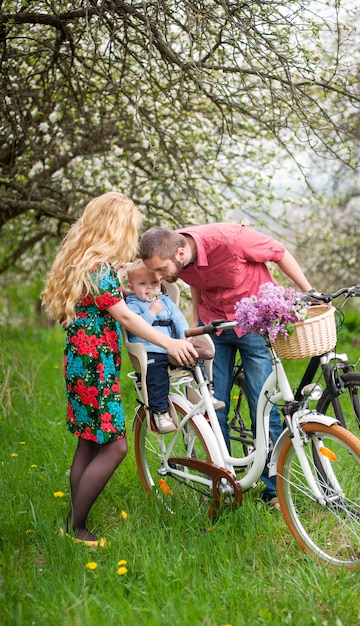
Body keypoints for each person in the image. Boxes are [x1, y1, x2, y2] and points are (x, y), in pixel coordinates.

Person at [41, 192, 197, 547]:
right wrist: (169, 342)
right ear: (116, 228)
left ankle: (74, 521)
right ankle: (75, 527)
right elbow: (124, 315)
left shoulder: (85, 262)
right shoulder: (98, 270)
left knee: (89, 441)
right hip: (95, 364)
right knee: (115, 446)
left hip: (82, 360)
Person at [139, 223, 313, 508]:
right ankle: (226, 483)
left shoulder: (230, 240)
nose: (158, 278)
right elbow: (197, 282)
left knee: (263, 405)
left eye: (160, 271)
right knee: (214, 406)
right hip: (216, 329)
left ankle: (274, 489)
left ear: (181, 253)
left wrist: (310, 291)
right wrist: (196, 324)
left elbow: (279, 253)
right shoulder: (174, 251)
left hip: (253, 324)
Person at [125, 260, 223, 433]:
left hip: (172, 348)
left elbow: (178, 319)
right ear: (131, 287)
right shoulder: (132, 305)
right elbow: (137, 327)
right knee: (156, 377)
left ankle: (205, 395)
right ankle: (160, 412)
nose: (149, 288)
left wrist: (185, 337)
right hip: (150, 351)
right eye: (142, 284)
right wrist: (151, 312)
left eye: (154, 283)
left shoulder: (165, 301)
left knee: (195, 360)